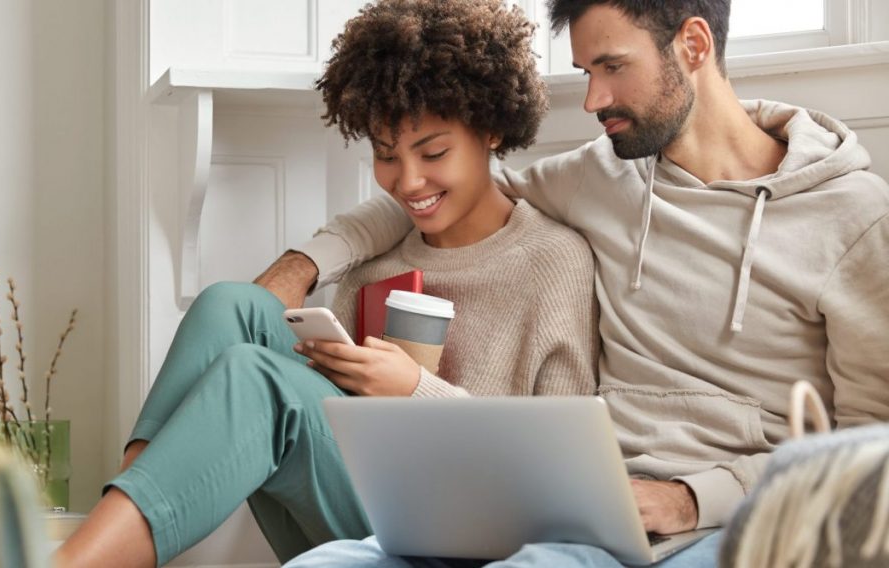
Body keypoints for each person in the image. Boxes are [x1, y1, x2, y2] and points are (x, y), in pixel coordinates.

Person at [260, 0, 889, 566]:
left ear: (693, 45)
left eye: (612, 67)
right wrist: (306, 265)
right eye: (587, 72)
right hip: (583, 507)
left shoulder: (852, 216)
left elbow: (870, 450)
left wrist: (692, 499)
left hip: (737, 518)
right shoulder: (603, 176)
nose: (592, 100)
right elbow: (445, 192)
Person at [55, 1, 599, 566]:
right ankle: (115, 525)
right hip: (361, 519)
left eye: (433, 152)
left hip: (470, 537)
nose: (408, 182)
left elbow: (557, 470)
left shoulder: (552, 261)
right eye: (386, 156)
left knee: (257, 379)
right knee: (229, 305)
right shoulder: (374, 266)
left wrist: (415, 390)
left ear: (489, 130)